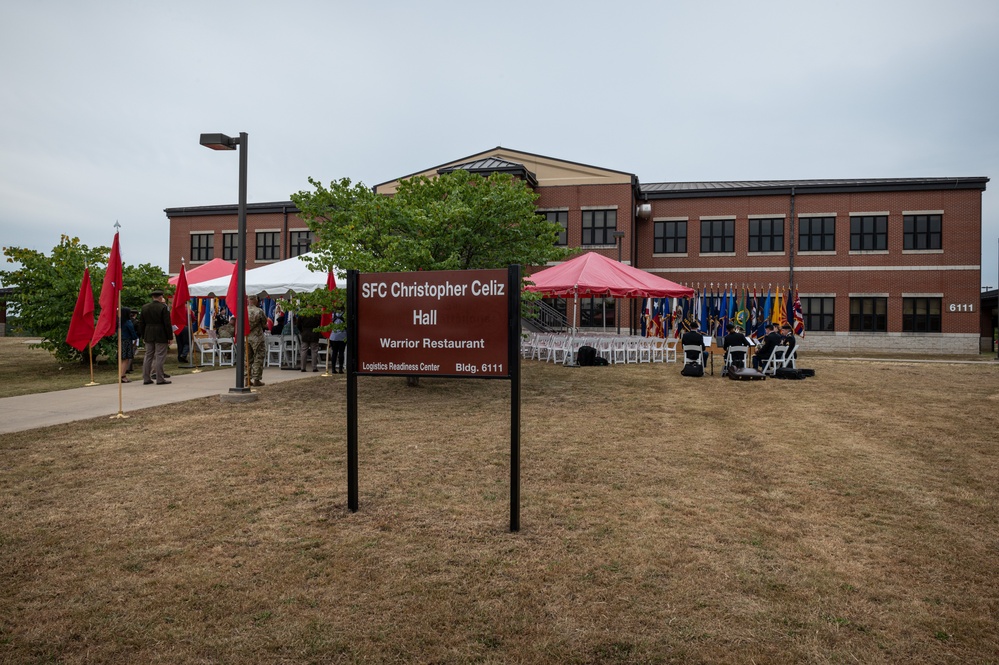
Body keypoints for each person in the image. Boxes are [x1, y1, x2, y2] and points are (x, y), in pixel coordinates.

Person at [138, 289, 173, 385]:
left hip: (148, 333)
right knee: (160, 356)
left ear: (153, 297)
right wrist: (170, 336)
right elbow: (167, 323)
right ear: (161, 297)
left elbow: (141, 323)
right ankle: (160, 378)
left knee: (148, 356)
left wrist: (143, 335)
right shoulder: (163, 307)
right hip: (161, 333)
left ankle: (146, 377)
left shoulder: (145, 307)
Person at [246, 295, 268, 386]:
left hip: (246, 337)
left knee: (247, 359)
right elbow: (264, 323)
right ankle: (256, 379)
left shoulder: (242, 311)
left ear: (248, 300)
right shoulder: (259, 311)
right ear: (256, 300)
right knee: (258, 358)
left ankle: (247, 379)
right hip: (257, 338)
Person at [119, 306, 138, 382]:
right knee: (126, 359)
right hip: (127, 340)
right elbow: (132, 331)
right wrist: (135, 338)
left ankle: (121, 374)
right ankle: (122, 375)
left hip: (121, 340)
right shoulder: (128, 322)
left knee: (122, 358)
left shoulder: (120, 322)